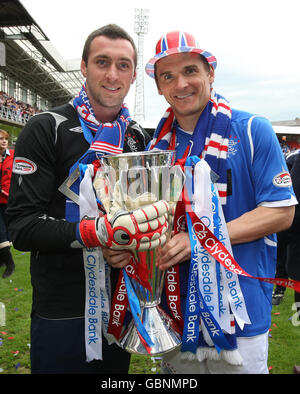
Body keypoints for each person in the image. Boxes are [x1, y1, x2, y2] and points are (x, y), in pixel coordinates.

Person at [6, 24, 168, 374]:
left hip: (121, 303)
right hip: (63, 307)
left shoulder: (136, 137)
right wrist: (100, 233)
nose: (113, 74)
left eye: (123, 65)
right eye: (102, 62)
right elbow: (22, 226)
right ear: (83, 66)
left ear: (134, 74)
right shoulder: (46, 127)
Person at [144, 31, 296, 374]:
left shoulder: (253, 129)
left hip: (239, 313)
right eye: (168, 76)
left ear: (210, 73)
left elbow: (281, 212)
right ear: (158, 86)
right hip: (176, 312)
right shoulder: (156, 147)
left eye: (190, 71)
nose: (180, 84)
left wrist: (199, 240)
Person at [0, 129, 15, 278]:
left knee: (8, 232)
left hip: (9, 200)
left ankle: (3, 259)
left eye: (5, 139)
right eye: (0, 139)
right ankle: (10, 264)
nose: (4, 141)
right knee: (1, 232)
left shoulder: (13, 156)